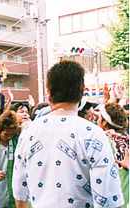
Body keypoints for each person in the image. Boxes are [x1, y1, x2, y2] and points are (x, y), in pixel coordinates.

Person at [12, 60, 124, 208]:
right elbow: (108, 198)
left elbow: (20, 191)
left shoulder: (28, 132)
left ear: (49, 94)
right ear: (82, 93)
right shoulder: (93, 134)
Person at [97, 103, 129, 208]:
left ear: (105, 122)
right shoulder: (126, 139)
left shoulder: (104, 141)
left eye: (100, 117)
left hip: (116, 200)